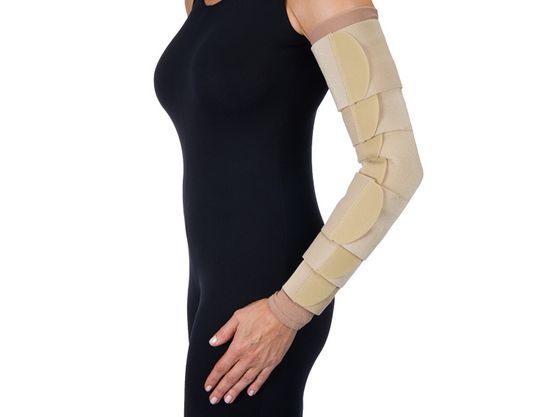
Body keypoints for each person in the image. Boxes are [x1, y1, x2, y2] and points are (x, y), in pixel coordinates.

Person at [153, 0, 424, 415]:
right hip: (209, 284)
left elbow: (394, 164)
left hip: (275, 288)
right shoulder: (197, 4)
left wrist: (286, 310)